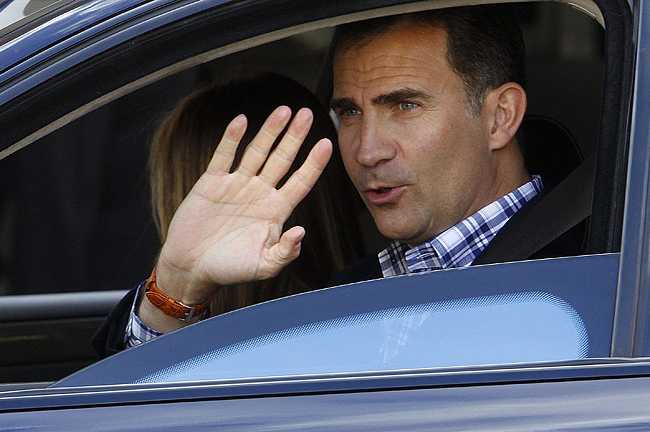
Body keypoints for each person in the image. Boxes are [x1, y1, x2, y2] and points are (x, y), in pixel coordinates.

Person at [93, 5, 581, 356]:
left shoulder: (590, 276)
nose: (367, 151)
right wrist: (176, 288)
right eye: (349, 112)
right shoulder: (347, 292)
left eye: (405, 105)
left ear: (500, 117)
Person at [92, 73, 365, 356]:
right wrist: (175, 286)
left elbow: (139, 381)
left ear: (178, 192)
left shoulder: (270, 350)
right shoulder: (363, 317)